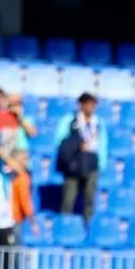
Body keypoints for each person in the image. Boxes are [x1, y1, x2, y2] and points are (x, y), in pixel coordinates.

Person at [55, 93, 106, 222]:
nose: (91, 107)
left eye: (93, 104)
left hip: (91, 163)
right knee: (69, 197)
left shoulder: (98, 123)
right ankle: (65, 226)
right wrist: (77, 145)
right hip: (74, 164)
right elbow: (59, 141)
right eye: (87, 103)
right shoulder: (70, 120)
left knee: (89, 198)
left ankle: (88, 229)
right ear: (81, 105)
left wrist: (101, 163)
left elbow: (103, 144)